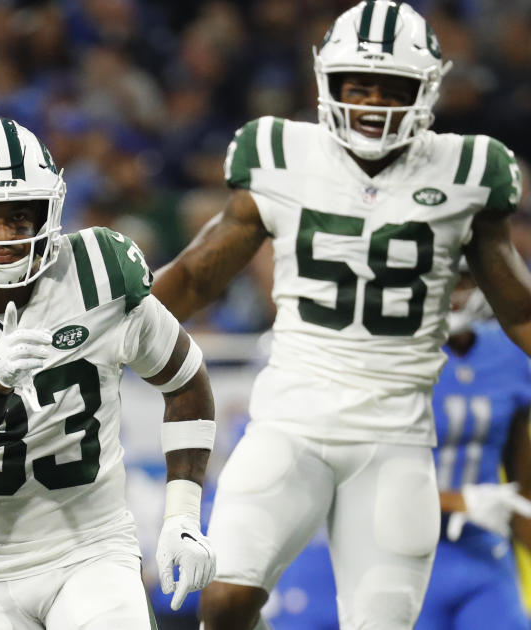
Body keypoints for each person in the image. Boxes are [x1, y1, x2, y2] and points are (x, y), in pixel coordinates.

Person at [150, 2, 531, 628]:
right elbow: (196, 275)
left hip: (395, 439)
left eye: (392, 88)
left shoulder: (466, 172)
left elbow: (516, 304)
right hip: (289, 422)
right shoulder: (279, 154)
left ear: (426, 91)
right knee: (224, 597)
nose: (374, 103)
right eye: (360, 85)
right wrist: (105, 338)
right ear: (328, 82)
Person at [0, 116, 217, 629]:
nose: (2, 237)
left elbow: (186, 382)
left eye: (21, 216)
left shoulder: (98, 271)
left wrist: (182, 515)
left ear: (51, 211)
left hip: (94, 548)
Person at [417, 269, 531, 629]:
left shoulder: (508, 355)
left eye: (462, 279)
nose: (452, 293)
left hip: (485, 552)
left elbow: (523, 481)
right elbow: (365, 482)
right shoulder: (397, 357)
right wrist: (461, 501)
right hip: (406, 552)